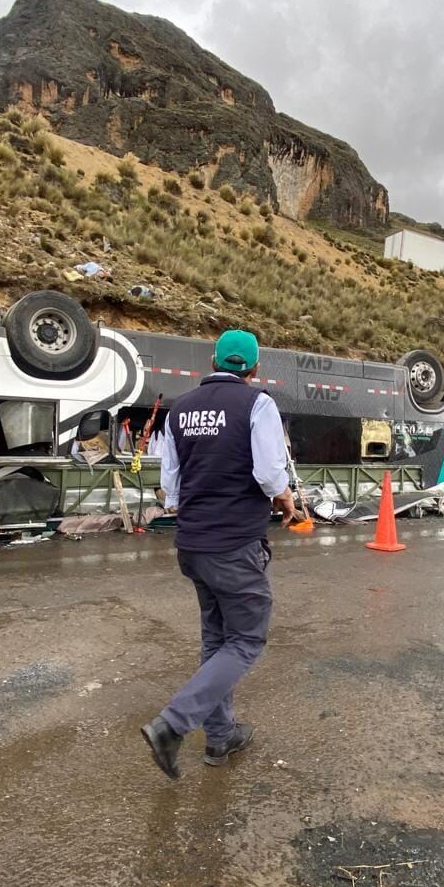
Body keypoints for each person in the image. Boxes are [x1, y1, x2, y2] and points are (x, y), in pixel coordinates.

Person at [141, 329, 299, 779]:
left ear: (211, 361)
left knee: (217, 639)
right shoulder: (257, 404)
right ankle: (172, 724)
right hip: (233, 545)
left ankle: (220, 737)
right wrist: (285, 498)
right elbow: (270, 473)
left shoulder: (180, 408)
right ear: (253, 369)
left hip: (192, 544)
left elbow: (170, 486)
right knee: (247, 639)